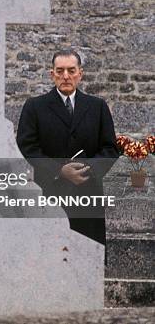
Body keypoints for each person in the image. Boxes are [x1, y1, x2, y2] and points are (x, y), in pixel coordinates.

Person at [16, 50, 118, 245]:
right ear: (51, 74)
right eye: (60, 71)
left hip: (88, 195)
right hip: (50, 193)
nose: (66, 76)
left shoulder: (98, 107)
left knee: (88, 256)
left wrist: (88, 170)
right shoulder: (35, 106)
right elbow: (27, 147)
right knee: (48, 254)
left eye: (71, 70)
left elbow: (110, 148)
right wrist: (59, 170)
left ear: (80, 73)